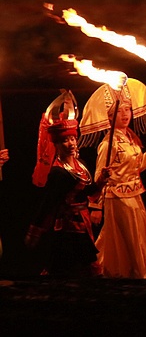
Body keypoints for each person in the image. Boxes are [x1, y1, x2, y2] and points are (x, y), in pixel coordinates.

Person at [80, 80, 146, 278]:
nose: (125, 114)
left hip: (135, 194)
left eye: (127, 109)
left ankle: (133, 273)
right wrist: (96, 207)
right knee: (127, 238)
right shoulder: (108, 144)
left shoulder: (130, 138)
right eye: (119, 111)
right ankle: (134, 275)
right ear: (109, 117)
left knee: (139, 236)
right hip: (117, 198)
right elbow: (99, 177)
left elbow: (137, 166)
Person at [26, 90, 110, 278]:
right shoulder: (58, 172)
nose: (71, 143)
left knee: (77, 267)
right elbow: (48, 202)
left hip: (83, 224)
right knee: (73, 267)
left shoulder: (81, 165)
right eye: (65, 140)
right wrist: (35, 230)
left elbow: (86, 192)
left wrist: (101, 181)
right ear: (56, 144)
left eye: (72, 138)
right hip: (67, 228)